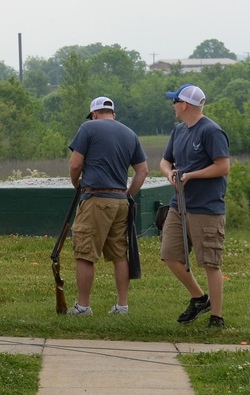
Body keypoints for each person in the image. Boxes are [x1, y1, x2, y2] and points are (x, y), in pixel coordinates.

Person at [65, 96, 148, 316]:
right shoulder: (129, 133)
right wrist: (128, 194)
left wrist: (77, 183)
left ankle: (83, 306)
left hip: (95, 199)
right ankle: (122, 305)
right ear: (113, 114)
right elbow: (143, 171)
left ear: (94, 114)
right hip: (121, 202)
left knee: (85, 252)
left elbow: (75, 164)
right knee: (119, 254)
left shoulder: (88, 128)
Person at [159, 84, 230, 329]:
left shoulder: (211, 131)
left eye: (174, 101)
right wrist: (170, 174)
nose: (173, 106)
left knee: (210, 262)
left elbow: (223, 167)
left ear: (184, 105)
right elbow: (165, 161)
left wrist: (191, 175)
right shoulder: (178, 131)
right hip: (178, 205)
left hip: (206, 208)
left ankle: (217, 317)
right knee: (169, 255)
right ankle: (200, 299)